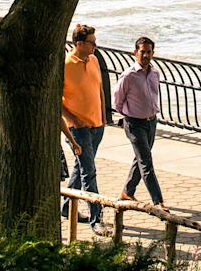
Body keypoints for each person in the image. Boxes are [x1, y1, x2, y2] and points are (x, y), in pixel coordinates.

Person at [61, 23, 110, 236]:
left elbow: (98, 88)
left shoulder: (94, 60)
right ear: (79, 43)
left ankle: (65, 206)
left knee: (80, 169)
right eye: (92, 42)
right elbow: (57, 100)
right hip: (78, 129)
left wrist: (104, 115)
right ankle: (96, 219)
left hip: (97, 125)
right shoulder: (65, 64)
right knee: (89, 172)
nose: (95, 46)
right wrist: (73, 119)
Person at [113, 36, 166, 209]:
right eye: (142, 51)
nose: (145, 55)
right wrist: (128, 116)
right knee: (146, 162)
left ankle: (127, 192)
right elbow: (117, 101)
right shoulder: (129, 76)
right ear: (135, 52)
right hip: (135, 124)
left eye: (149, 52)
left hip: (151, 122)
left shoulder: (155, 73)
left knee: (141, 158)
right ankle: (158, 201)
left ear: (153, 53)